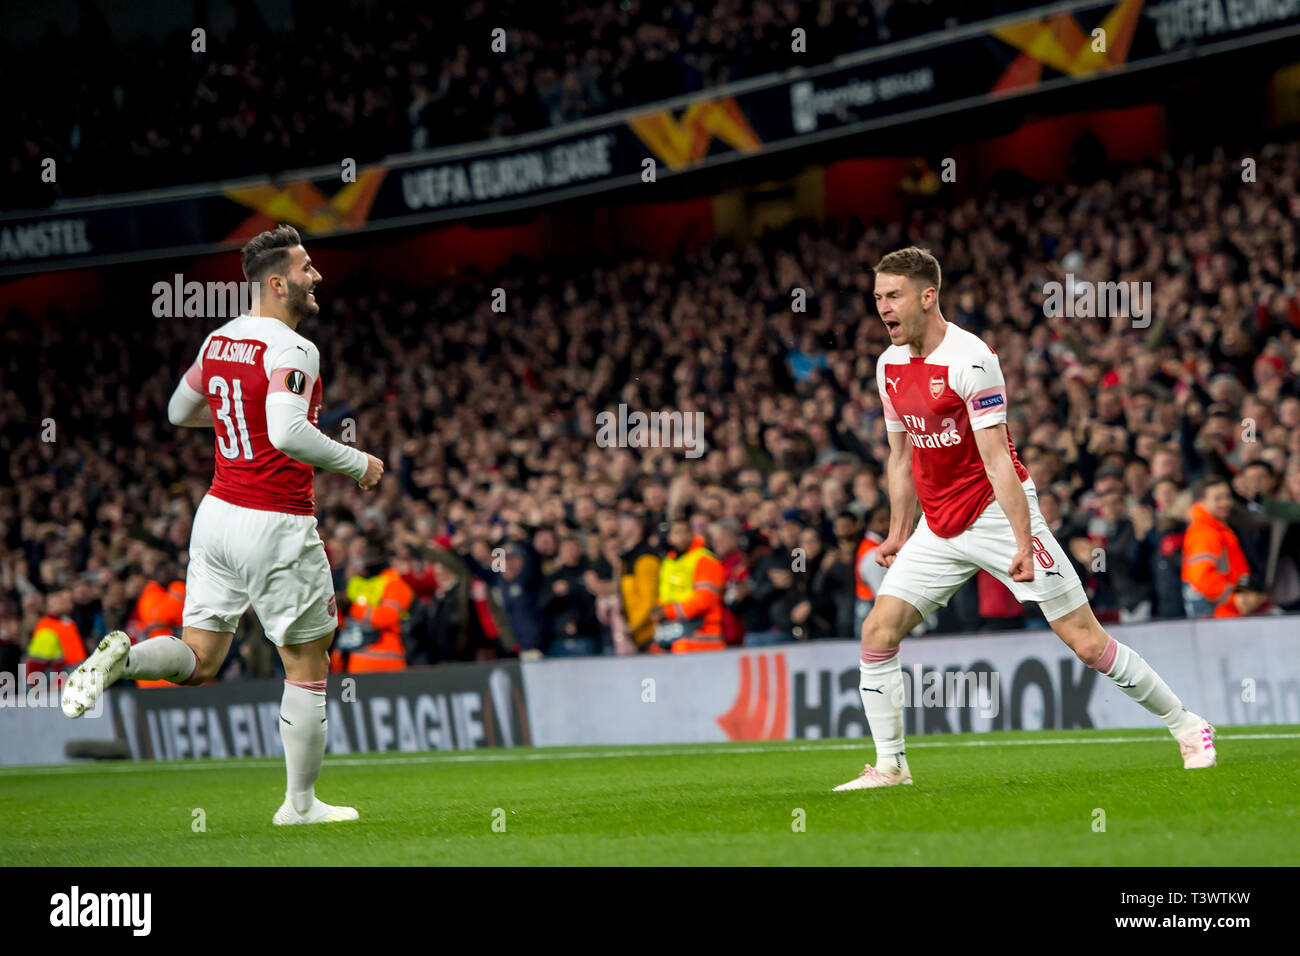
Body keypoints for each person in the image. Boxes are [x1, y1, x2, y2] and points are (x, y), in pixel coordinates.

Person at [835, 247, 1216, 792]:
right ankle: (891, 768)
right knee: (877, 631)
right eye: (877, 298)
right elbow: (901, 456)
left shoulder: (971, 358)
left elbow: (997, 458)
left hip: (995, 512)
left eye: (893, 296)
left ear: (928, 296)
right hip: (937, 528)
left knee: (1087, 643)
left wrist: (1022, 539)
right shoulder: (888, 366)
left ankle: (1188, 726)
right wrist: (899, 531)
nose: (883, 308)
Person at [61, 224, 385, 825]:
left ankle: (126, 657)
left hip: (215, 518)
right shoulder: (295, 348)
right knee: (309, 666)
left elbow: (177, 411)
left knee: (200, 659)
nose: (318, 277)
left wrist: (240, 424)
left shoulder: (219, 341)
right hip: (275, 522)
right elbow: (288, 433)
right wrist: (359, 462)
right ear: (279, 282)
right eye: (308, 268)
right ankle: (301, 806)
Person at [1181, 476, 1268, 618]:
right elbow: (1201, 577)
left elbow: (1236, 571)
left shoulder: (1219, 529)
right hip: (1218, 617)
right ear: (1201, 502)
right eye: (1218, 498)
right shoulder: (1205, 532)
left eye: (1227, 496)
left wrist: (1245, 595)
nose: (1226, 502)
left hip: (1226, 615)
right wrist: (1235, 598)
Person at [650, 517, 725, 653]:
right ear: (670, 537)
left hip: (702, 639)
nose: (682, 537)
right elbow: (666, 596)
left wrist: (667, 611)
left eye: (686, 532)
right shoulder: (669, 562)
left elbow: (703, 600)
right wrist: (658, 611)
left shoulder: (704, 560)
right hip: (674, 638)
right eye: (677, 533)